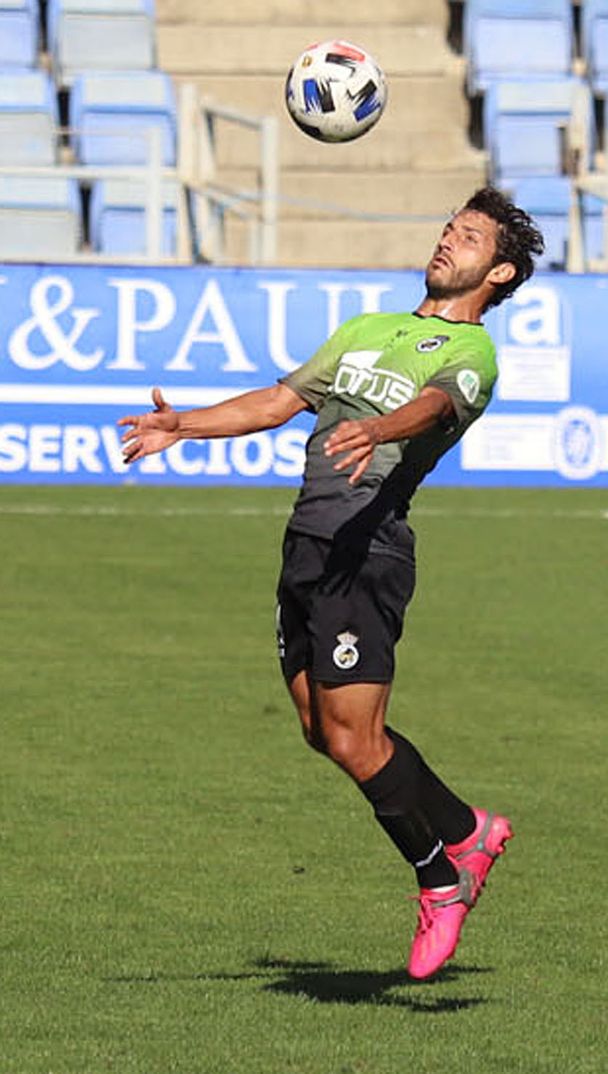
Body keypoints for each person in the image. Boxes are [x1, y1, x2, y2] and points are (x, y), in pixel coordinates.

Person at [118, 187, 544, 979]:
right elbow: (279, 401)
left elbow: (433, 407)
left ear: (501, 273)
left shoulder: (473, 354)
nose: (448, 239)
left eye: (470, 236)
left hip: (367, 548)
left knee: (353, 737)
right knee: (323, 729)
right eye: (449, 227)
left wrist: (377, 428)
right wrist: (184, 425)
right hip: (308, 543)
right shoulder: (366, 330)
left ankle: (441, 879)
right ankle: (468, 829)